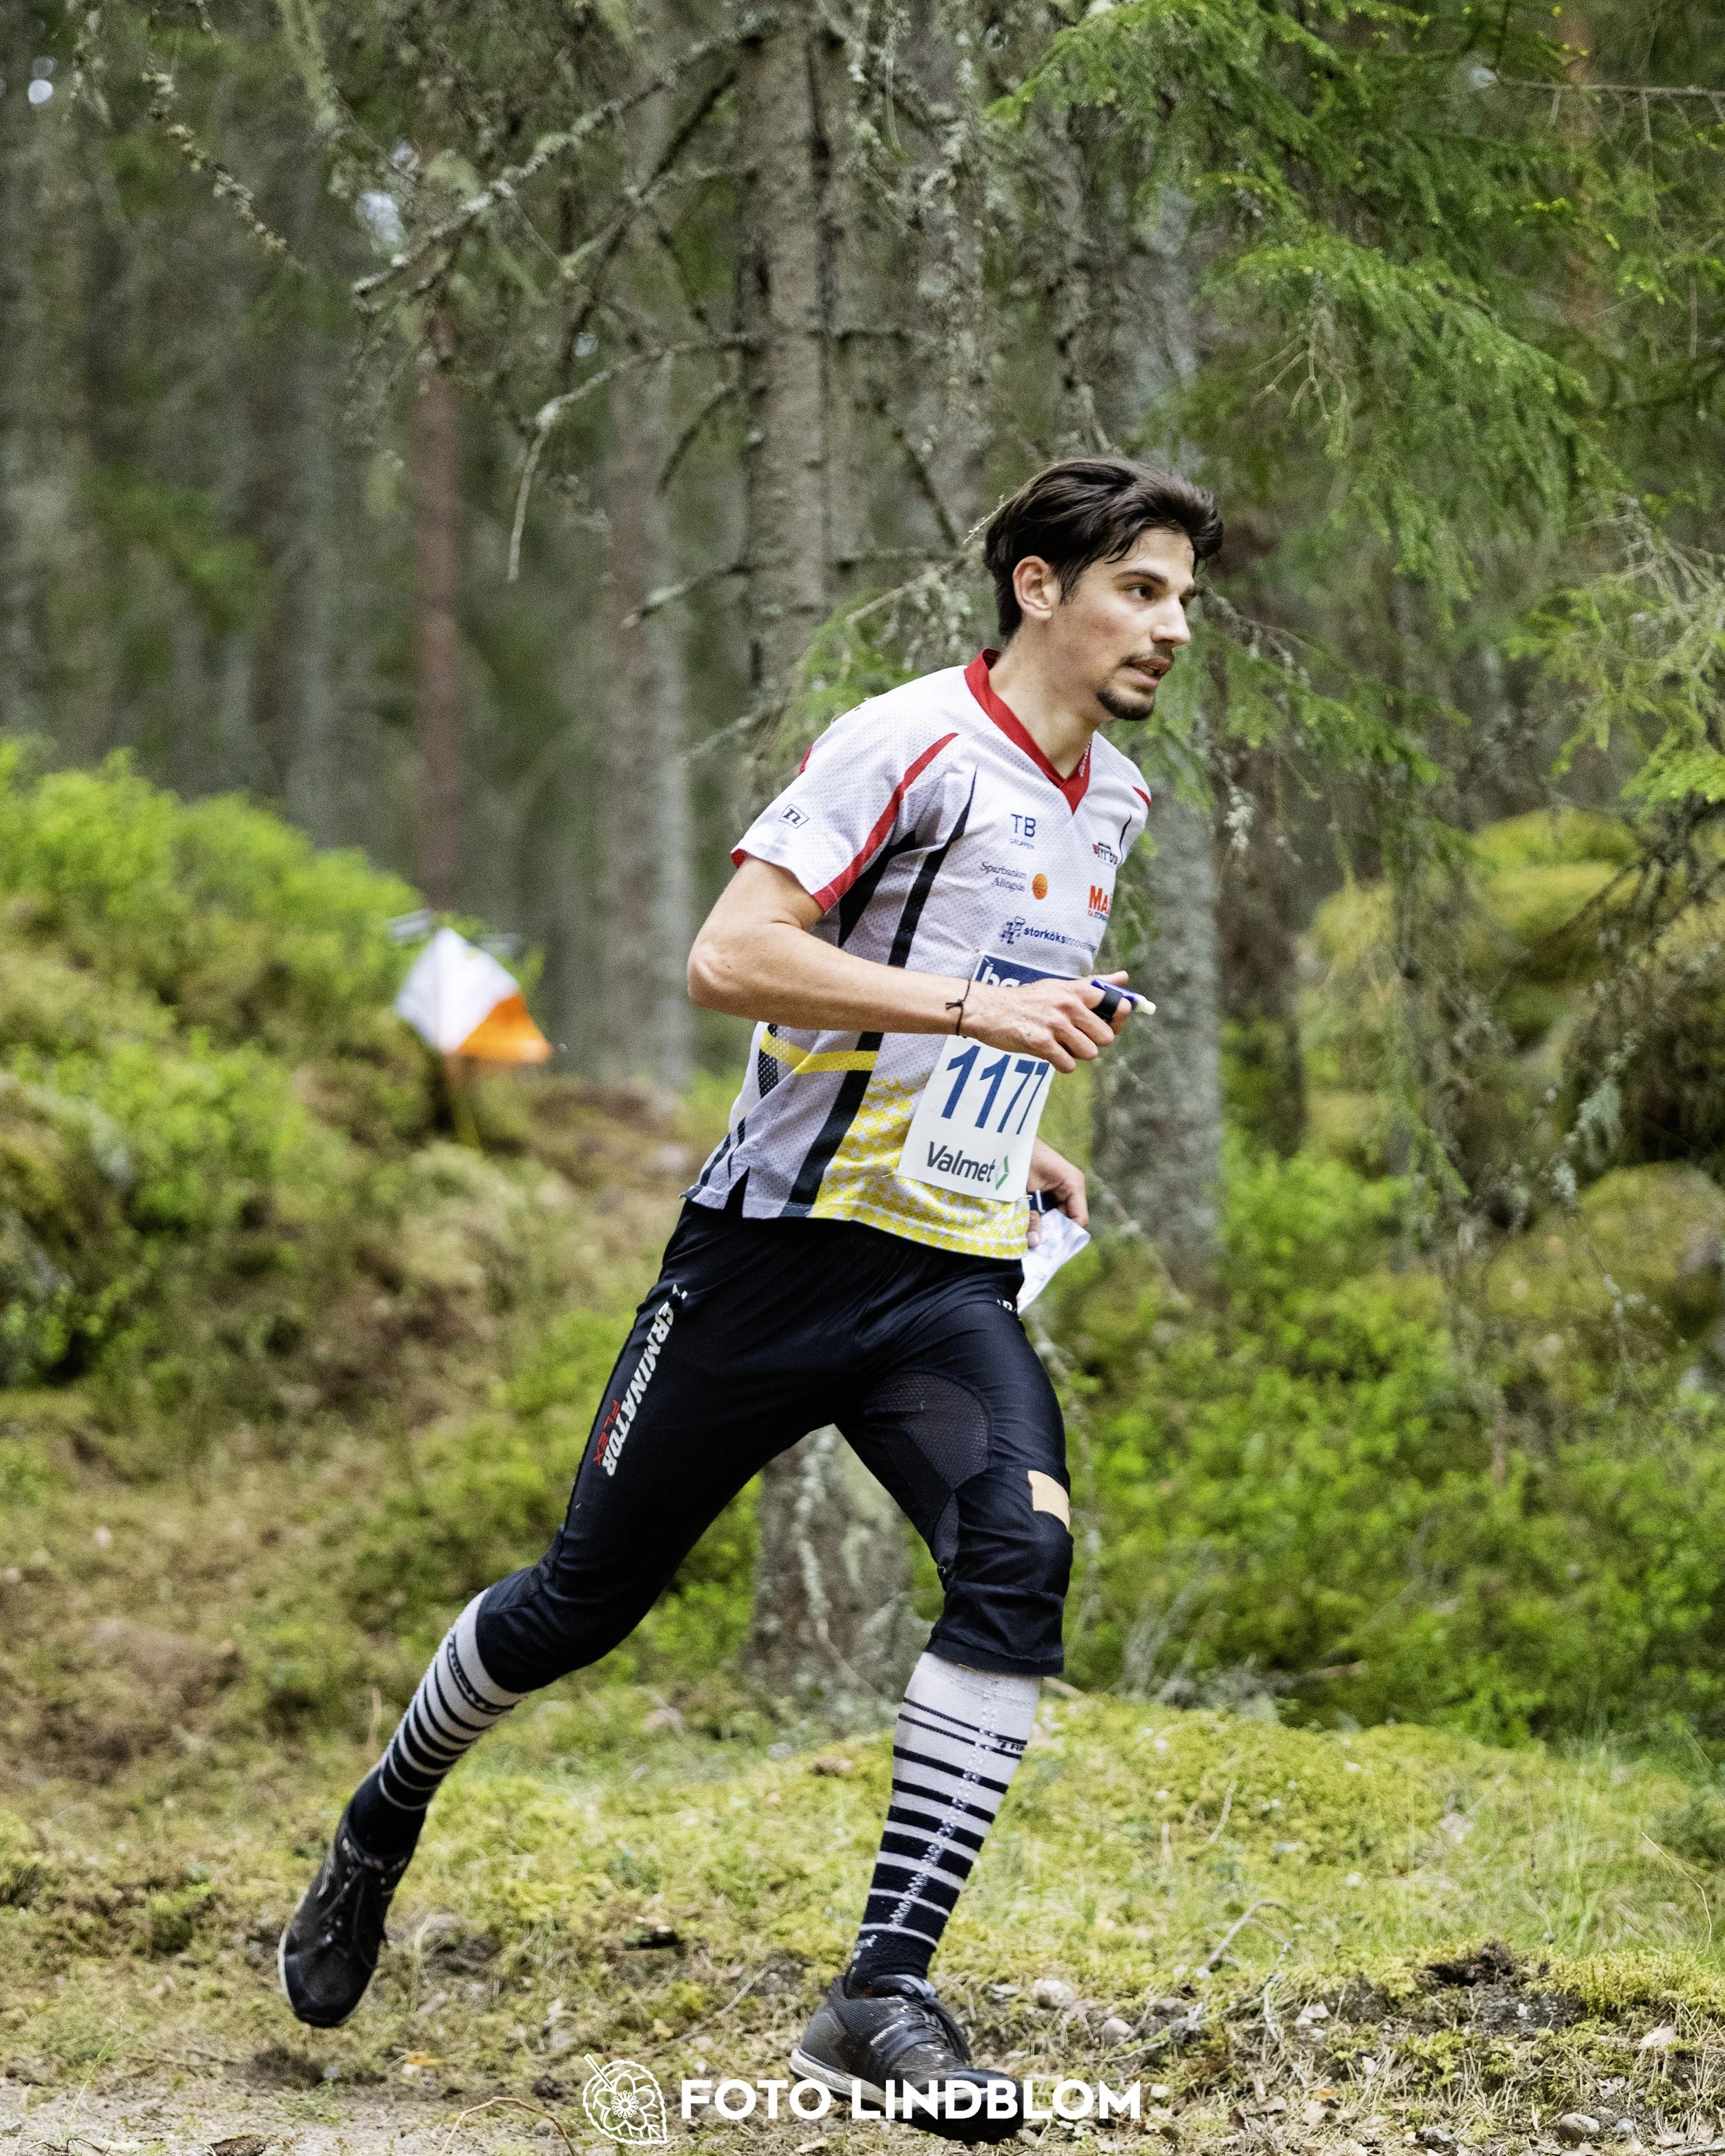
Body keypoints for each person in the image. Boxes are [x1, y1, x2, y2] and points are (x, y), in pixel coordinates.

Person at [278, 455, 1222, 2141]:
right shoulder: (907, 738)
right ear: (1035, 584)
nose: (1167, 625)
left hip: (939, 1275)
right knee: (581, 1602)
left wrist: (1012, 1143)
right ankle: (382, 1812)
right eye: (1137, 588)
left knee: (1019, 1551)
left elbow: (984, 1010)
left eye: (1179, 599)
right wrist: (970, 1018)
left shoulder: (1113, 801)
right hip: (759, 1265)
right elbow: (732, 956)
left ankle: (879, 1992)